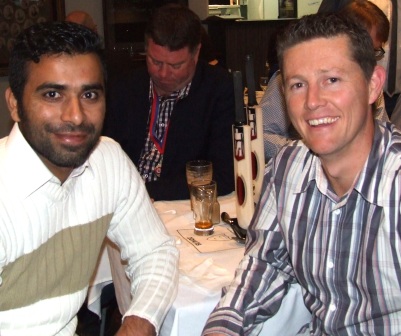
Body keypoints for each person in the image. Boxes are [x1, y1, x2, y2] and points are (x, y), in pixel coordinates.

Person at [202, 11, 401, 335]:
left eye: (332, 80)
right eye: (297, 84)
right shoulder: (289, 166)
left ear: (373, 85)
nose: (312, 102)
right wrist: (223, 327)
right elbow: (266, 263)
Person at [0, 21, 178, 336]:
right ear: (14, 104)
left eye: (90, 94)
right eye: (53, 94)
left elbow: (155, 251)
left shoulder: (105, 160)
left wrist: (139, 321)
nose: (76, 115)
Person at [102, 4, 235, 201]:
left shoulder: (219, 90)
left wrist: (146, 192)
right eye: (155, 62)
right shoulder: (123, 87)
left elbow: (224, 175)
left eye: (176, 65)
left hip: (178, 206)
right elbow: (103, 160)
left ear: (196, 53)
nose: (163, 74)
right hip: (121, 203)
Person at [261, 0, 390, 161]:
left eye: (374, 51)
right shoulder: (286, 80)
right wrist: (305, 152)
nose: (313, 101)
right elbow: (261, 135)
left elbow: (383, 129)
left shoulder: (368, 81)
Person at [319, 0, 401, 118]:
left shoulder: (371, 83)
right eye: (364, 49)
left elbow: (381, 128)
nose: (367, 59)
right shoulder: (297, 82)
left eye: (373, 51)